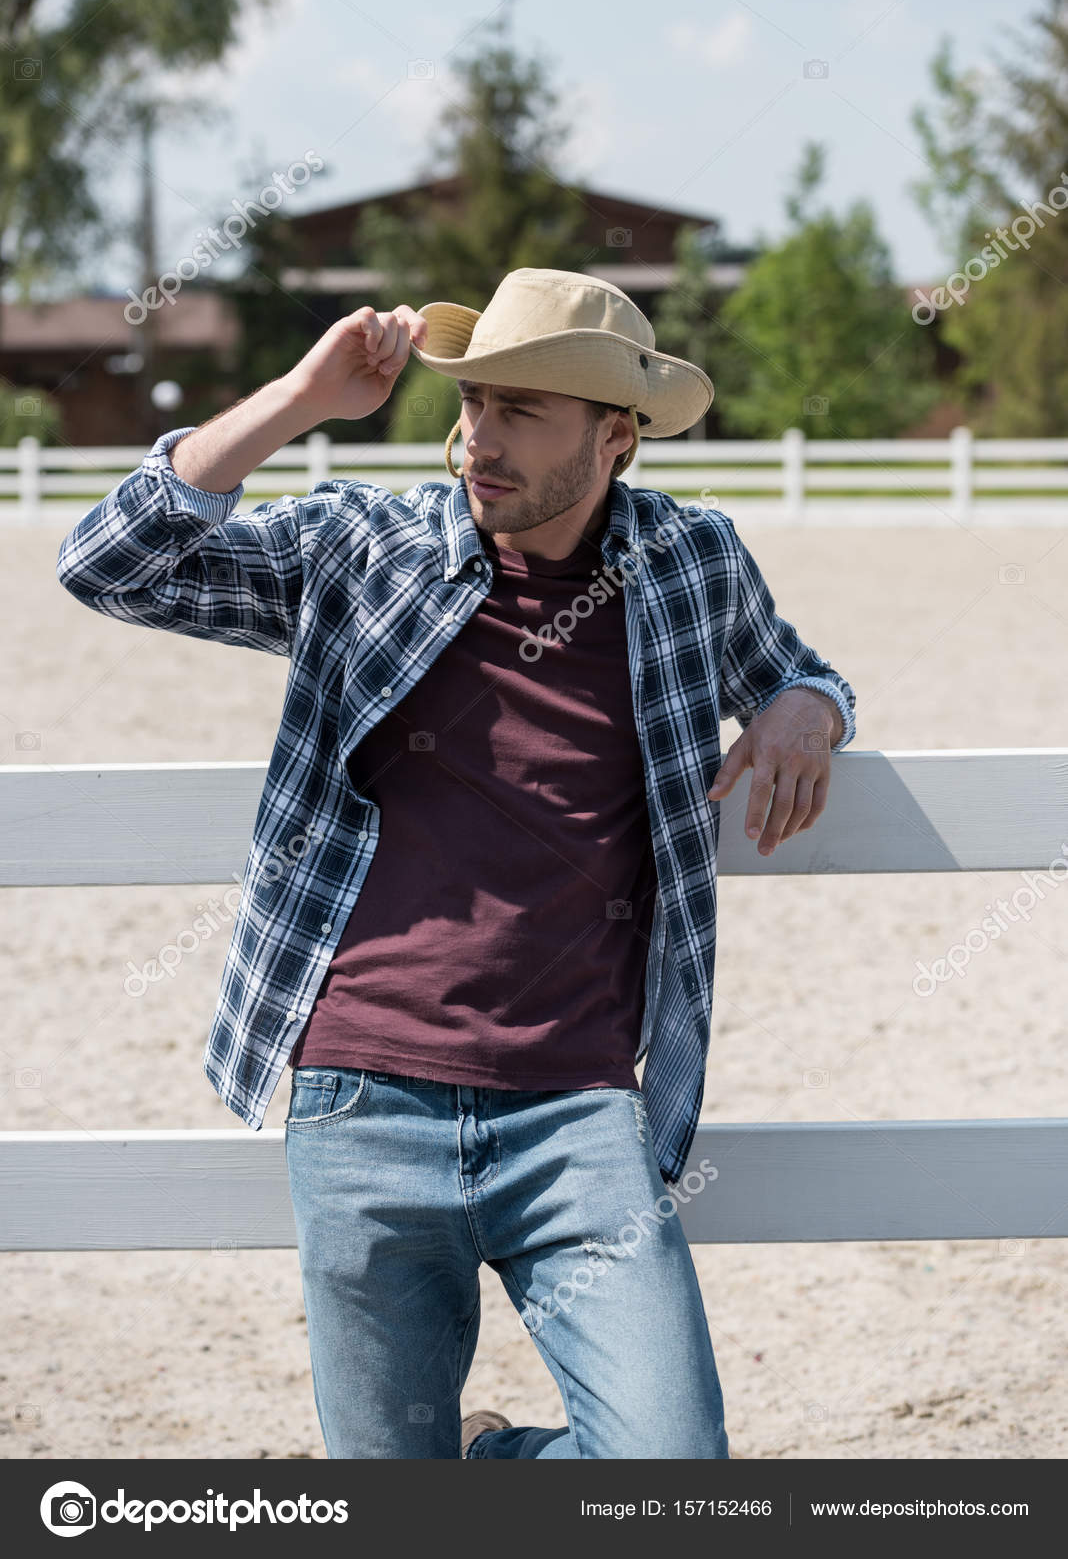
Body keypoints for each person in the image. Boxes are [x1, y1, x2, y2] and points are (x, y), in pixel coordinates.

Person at [56, 267, 856, 1460]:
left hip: (579, 1113)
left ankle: (491, 1464)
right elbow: (111, 562)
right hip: (362, 1098)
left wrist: (805, 707)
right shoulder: (360, 546)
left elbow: (800, 668)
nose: (480, 436)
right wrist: (297, 397)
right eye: (475, 401)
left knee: (672, 1475)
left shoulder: (690, 562)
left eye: (523, 409)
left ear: (617, 436)